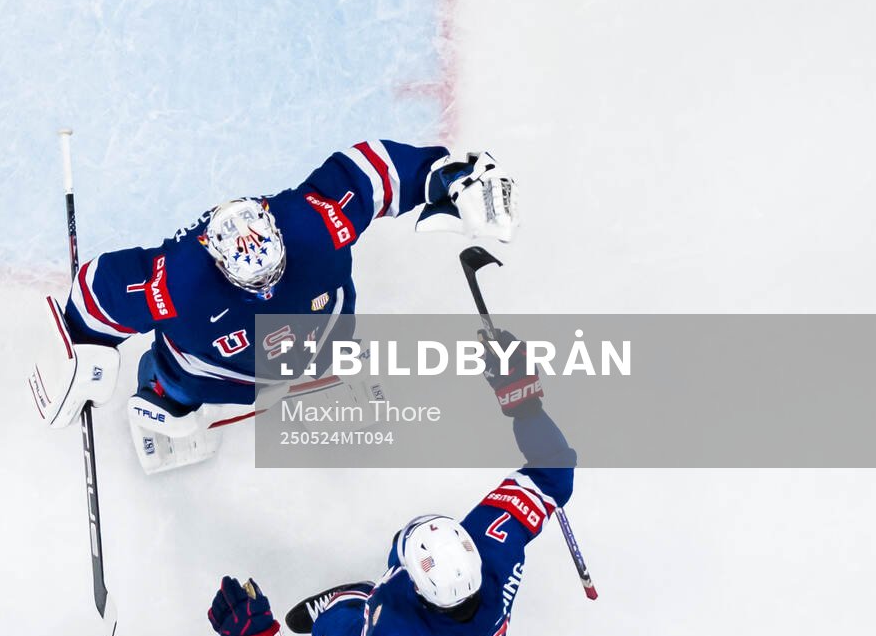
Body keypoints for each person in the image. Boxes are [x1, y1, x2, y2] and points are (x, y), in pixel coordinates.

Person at [27, 140, 519, 472]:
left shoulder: (312, 222)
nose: (266, 288)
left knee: (332, 353)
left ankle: (321, 377)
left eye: (271, 272)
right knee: (172, 392)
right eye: (254, 281)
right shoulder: (178, 277)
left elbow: (379, 171)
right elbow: (100, 291)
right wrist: (81, 351)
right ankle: (161, 400)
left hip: (322, 339)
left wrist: (455, 179)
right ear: (214, 258)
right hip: (214, 372)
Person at [204, 332, 575, 636]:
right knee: (406, 545)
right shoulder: (498, 539)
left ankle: (352, 600)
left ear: (416, 587)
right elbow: (554, 470)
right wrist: (525, 403)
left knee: (332, 629)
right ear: (470, 549)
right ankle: (369, 597)